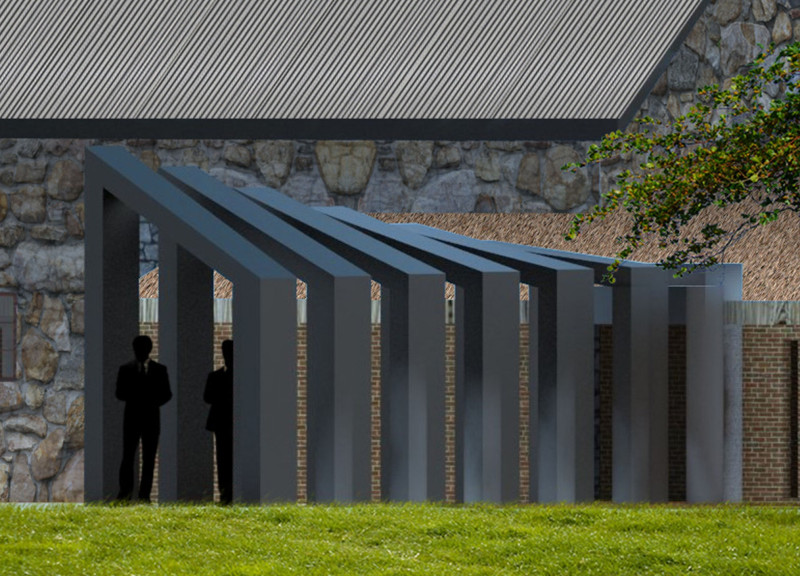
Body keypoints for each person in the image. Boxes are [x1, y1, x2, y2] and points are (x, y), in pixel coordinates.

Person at [115, 335, 172, 503]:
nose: (139, 351)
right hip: (132, 419)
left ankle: (144, 495)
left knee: (149, 458)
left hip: (150, 419)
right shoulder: (125, 369)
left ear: (148, 349)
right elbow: (119, 393)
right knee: (128, 457)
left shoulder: (160, 370)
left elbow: (167, 393)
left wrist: (151, 401)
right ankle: (125, 494)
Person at [205, 339, 233, 504]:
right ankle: (225, 494)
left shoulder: (240, 377)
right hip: (221, 423)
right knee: (222, 460)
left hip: (232, 423)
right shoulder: (214, 376)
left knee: (228, 459)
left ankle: (231, 493)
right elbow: (207, 397)